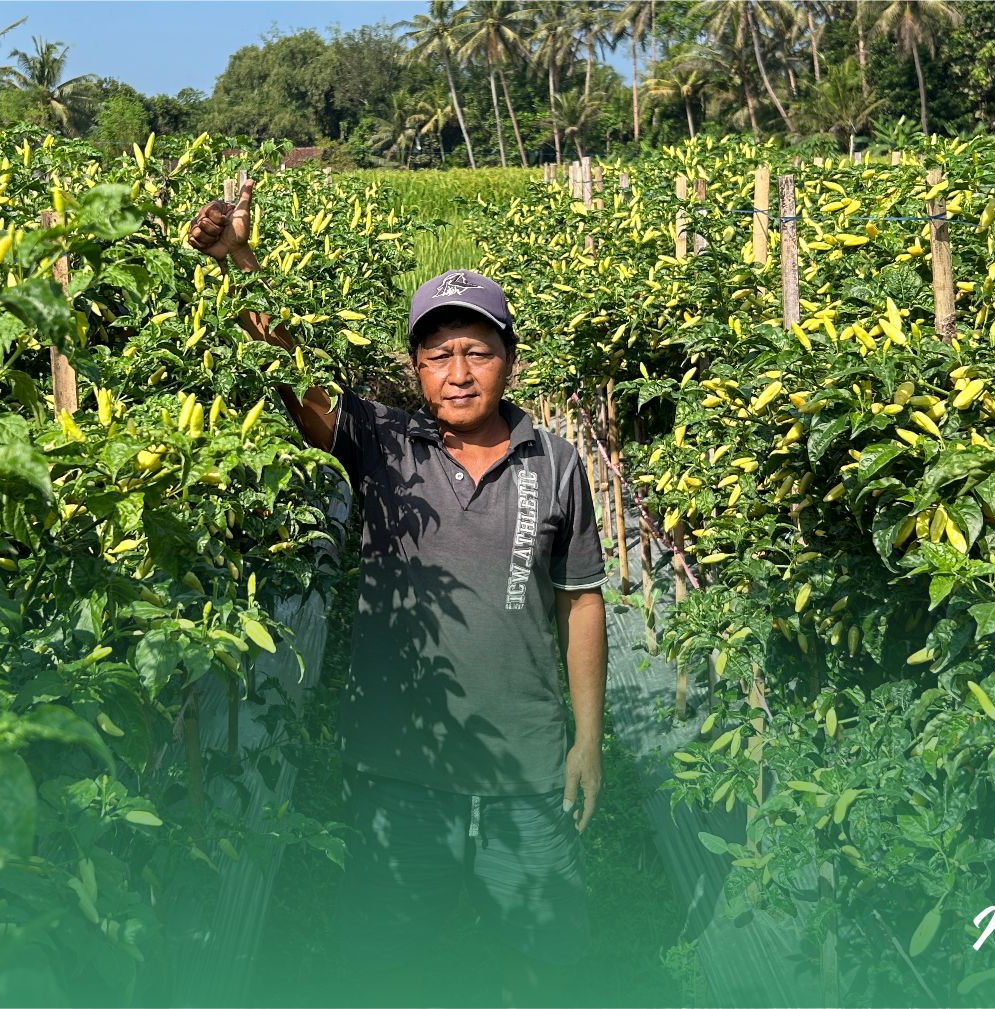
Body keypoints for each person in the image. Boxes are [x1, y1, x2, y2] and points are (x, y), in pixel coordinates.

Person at [187, 179, 608, 1007]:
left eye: (477, 351)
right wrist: (239, 259)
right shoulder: (383, 442)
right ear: (415, 369)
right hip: (397, 766)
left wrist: (587, 741)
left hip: (526, 767)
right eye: (438, 354)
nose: (458, 372)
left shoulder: (555, 462)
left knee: (547, 957)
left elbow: (580, 600)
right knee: (381, 957)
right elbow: (290, 368)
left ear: (509, 361)